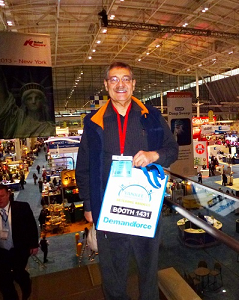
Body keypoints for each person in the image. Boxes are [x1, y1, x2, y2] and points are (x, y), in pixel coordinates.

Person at [75, 61, 178, 300]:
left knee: (148, 271)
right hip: (108, 210)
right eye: (114, 79)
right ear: (106, 85)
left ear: (133, 84)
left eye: (125, 79)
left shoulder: (151, 117)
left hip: (144, 208)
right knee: (112, 275)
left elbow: (172, 149)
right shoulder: (94, 123)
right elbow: (83, 167)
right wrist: (89, 206)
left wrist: (155, 155)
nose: (120, 84)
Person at [0, 184, 39, 300]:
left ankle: (26, 285)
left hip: (18, 249)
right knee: (4, 280)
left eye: (2, 196)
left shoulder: (22, 208)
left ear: (8, 194)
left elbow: (31, 226)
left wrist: (34, 244)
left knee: (19, 274)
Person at [0, 65, 55, 138]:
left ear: (43, 101)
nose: (33, 101)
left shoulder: (50, 128)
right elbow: (0, 88)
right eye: (29, 98)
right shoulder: (17, 118)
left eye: (37, 98)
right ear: (25, 103)